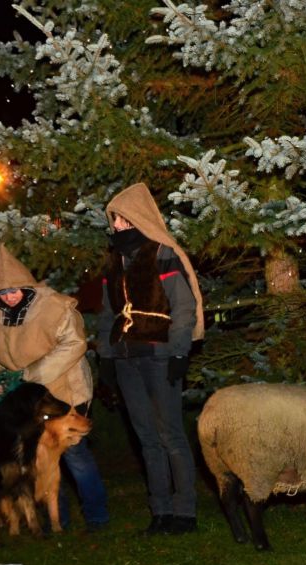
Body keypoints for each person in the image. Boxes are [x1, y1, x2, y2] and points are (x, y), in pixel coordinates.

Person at [0, 245, 108, 531]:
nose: (9, 297)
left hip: (63, 392)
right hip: (27, 403)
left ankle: (96, 517)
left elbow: (74, 344)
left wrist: (27, 376)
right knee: (38, 458)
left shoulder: (56, 307)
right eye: (2, 293)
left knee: (75, 455)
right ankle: (56, 519)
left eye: (14, 291)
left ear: (26, 285)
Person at [98, 183, 205, 535]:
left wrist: (179, 351)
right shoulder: (114, 261)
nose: (116, 225)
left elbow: (184, 307)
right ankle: (160, 511)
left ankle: (184, 512)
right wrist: (106, 358)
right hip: (126, 358)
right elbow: (107, 314)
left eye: (122, 219)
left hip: (160, 356)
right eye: (114, 219)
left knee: (170, 434)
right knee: (146, 437)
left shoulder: (162, 253)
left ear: (138, 218)